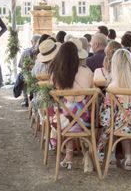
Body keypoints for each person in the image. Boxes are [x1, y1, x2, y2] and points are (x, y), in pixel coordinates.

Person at [98, 48, 131, 170]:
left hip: (119, 124)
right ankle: (129, 159)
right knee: (125, 119)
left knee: (112, 122)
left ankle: (111, 157)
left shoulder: (113, 84)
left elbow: (107, 113)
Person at [49, 40, 93, 170]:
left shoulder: (56, 74)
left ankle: (68, 155)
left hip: (61, 123)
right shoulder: (87, 72)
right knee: (74, 115)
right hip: (85, 122)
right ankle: (85, 154)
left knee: (64, 113)